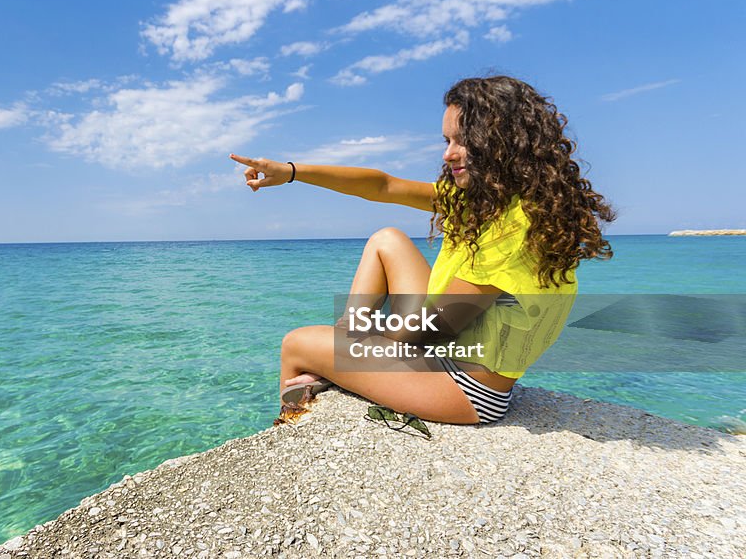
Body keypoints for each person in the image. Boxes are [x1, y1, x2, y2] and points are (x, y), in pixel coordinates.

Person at [230, 76, 615, 425]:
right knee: (387, 240)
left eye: (463, 140)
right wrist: (293, 171)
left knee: (297, 343)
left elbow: (432, 331)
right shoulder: (490, 200)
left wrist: (353, 349)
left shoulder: (512, 226)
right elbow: (383, 186)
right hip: (450, 351)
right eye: (447, 141)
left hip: (466, 389)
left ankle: (288, 432)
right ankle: (338, 352)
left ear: (501, 144)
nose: (448, 154)